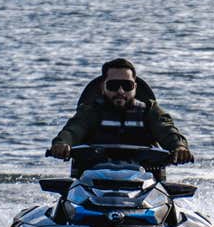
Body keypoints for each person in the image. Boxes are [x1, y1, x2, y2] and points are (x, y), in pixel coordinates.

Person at [49, 58, 194, 165]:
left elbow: (167, 130)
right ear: (102, 87)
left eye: (127, 85)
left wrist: (179, 147)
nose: (120, 91)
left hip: (145, 182)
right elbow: (74, 129)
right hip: (92, 181)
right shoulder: (90, 111)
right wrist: (62, 144)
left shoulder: (149, 111)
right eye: (113, 85)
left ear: (135, 87)